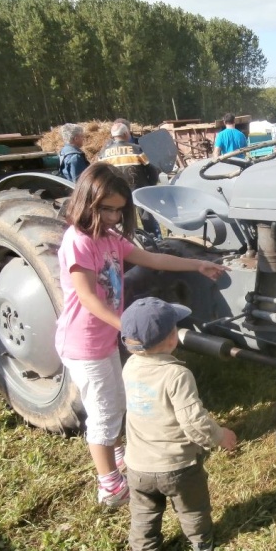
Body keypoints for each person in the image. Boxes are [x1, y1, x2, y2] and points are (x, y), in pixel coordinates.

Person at [54, 162, 229, 510]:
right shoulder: (78, 242)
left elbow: (152, 259)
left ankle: (118, 456)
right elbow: (87, 297)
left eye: (120, 211)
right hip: (84, 341)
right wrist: (127, 327)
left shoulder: (110, 238)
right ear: (88, 201)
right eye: (108, 209)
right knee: (102, 413)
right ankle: (110, 486)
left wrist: (197, 265)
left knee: (117, 401)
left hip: (106, 336)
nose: (115, 217)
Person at [119, 296, 238, 551]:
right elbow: (194, 422)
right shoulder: (176, 375)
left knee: (144, 512)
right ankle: (201, 544)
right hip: (178, 466)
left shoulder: (129, 367)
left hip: (137, 465)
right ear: (173, 338)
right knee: (193, 507)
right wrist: (221, 436)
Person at [98, 121, 162, 240]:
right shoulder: (137, 149)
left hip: (117, 194)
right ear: (127, 134)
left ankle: (131, 241)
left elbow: (101, 174)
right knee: (147, 217)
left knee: (126, 220)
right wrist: (151, 184)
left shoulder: (104, 154)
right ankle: (156, 241)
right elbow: (151, 169)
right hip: (141, 191)